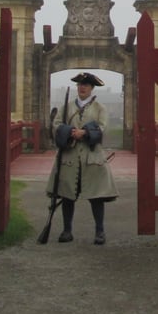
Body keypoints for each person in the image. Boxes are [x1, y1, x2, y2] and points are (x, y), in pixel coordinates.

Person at [46, 71, 118, 245]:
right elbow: (56, 125)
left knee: (97, 196)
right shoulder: (66, 107)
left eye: (85, 85)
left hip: (92, 158)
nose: (82, 88)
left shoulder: (100, 108)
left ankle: (100, 231)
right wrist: (70, 132)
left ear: (92, 88)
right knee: (67, 195)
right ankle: (66, 231)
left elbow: (102, 128)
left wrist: (85, 133)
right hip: (69, 157)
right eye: (80, 85)